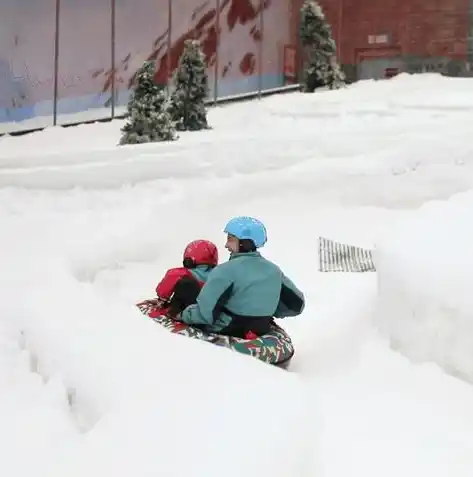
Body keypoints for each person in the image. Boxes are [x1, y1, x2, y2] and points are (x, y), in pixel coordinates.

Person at [179, 216, 305, 338]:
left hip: (227, 329)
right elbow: (297, 305)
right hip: (261, 328)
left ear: (245, 243)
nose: (226, 245)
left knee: (186, 287)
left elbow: (204, 314)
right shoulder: (274, 271)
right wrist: (267, 308)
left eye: (230, 239)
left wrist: (182, 315)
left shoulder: (225, 271)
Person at [147, 239, 218, 319]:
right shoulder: (218, 274)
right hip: (204, 313)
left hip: (183, 310)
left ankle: (173, 312)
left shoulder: (182, 273)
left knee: (186, 284)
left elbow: (164, 287)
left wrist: (162, 298)